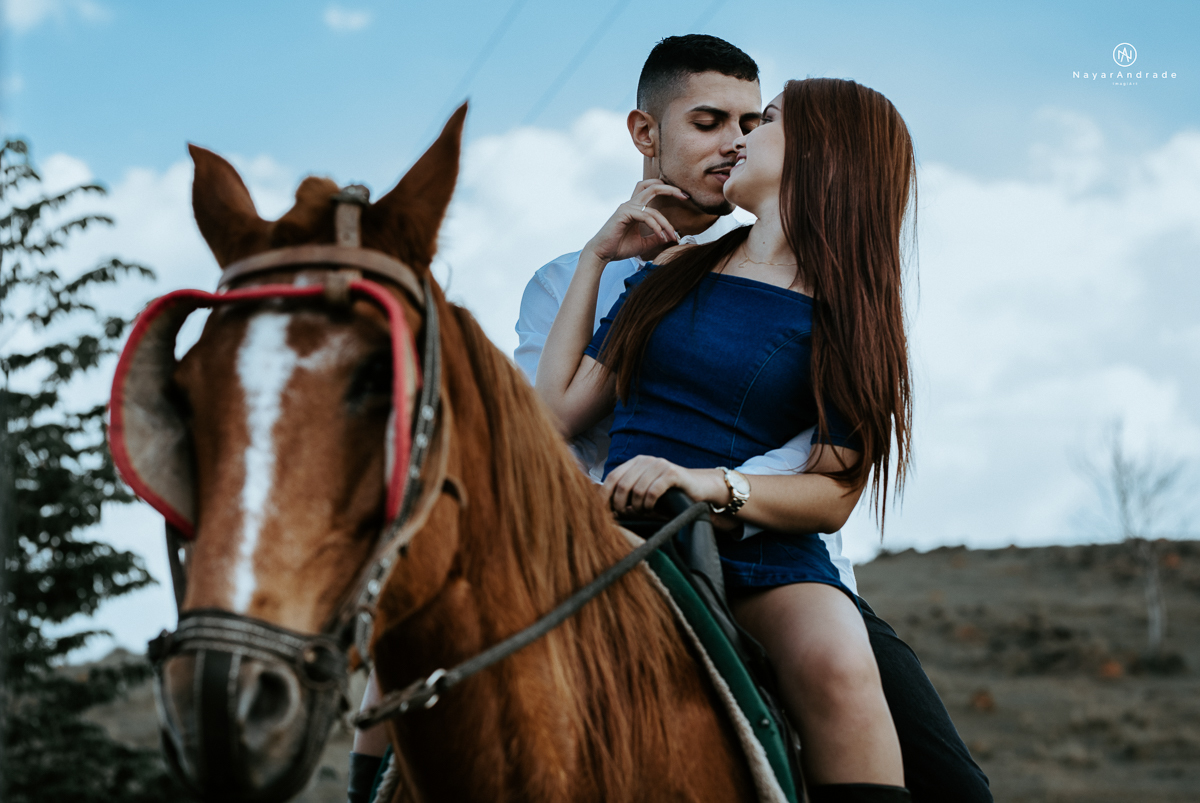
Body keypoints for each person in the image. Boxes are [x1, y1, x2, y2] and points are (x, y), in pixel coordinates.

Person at [518, 36, 991, 803]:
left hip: (764, 557)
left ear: (821, 154)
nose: (741, 139)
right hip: (618, 536)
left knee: (840, 667)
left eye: (764, 120)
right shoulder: (672, 272)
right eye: (726, 122)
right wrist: (598, 257)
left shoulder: (850, 317)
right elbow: (554, 413)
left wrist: (699, 485)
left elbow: (834, 490)